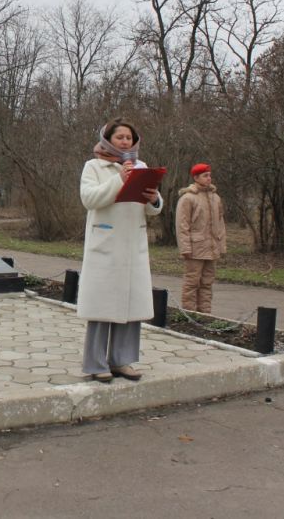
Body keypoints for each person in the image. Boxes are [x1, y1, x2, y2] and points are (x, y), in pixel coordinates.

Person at [77, 118, 163, 382]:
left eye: (129, 137)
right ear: (107, 139)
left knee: (130, 306)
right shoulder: (94, 166)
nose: (125, 142)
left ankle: (122, 361)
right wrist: (120, 180)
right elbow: (89, 199)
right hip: (106, 246)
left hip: (133, 246)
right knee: (103, 307)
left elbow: (151, 209)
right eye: (119, 137)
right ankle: (96, 363)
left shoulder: (141, 166)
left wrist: (154, 199)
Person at [175, 163, 226, 313]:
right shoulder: (188, 198)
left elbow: (220, 223)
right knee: (192, 282)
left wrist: (221, 245)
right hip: (195, 247)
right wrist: (185, 248)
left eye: (210, 175)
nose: (209, 178)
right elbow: (182, 225)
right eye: (205, 175)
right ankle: (190, 314)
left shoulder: (215, 198)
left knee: (207, 282)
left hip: (211, 248)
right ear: (196, 178)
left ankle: (205, 314)